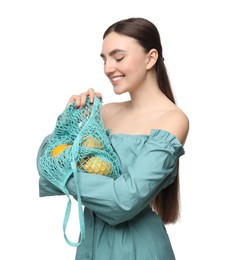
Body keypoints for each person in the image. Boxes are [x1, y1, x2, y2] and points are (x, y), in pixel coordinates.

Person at [37, 17, 189, 259]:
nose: (108, 68)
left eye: (118, 58)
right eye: (105, 59)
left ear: (151, 58)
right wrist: (71, 120)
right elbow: (46, 166)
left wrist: (64, 176)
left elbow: (123, 202)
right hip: (89, 246)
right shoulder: (105, 113)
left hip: (138, 249)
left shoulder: (172, 120)